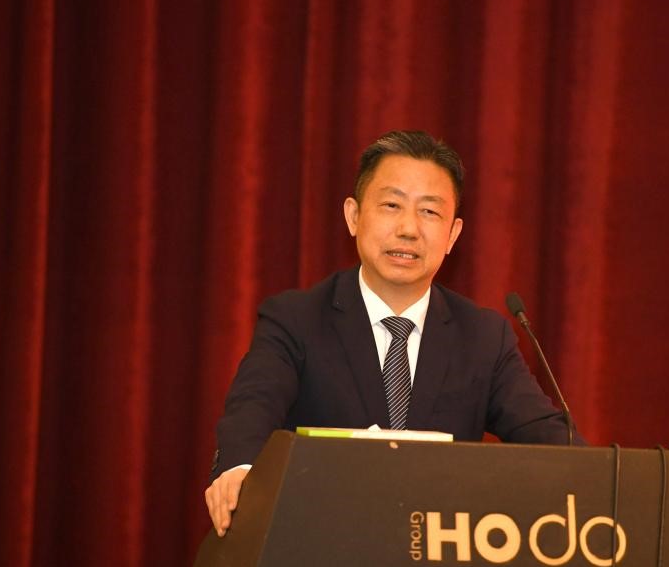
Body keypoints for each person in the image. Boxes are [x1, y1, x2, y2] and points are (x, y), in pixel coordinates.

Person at [204, 130, 573, 536]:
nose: (409, 229)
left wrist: (607, 483)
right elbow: (253, 407)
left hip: (437, 557)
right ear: (353, 216)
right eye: (392, 205)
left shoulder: (483, 337)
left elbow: (551, 440)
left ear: (453, 235)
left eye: (429, 212)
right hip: (321, 546)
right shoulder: (296, 320)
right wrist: (240, 470)